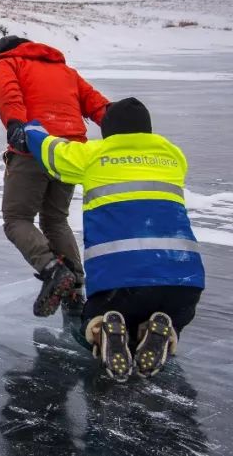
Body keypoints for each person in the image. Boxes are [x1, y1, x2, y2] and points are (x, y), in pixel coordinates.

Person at [22, 98, 204, 382]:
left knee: (90, 321)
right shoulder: (173, 156)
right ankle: (163, 328)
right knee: (176, 314)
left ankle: (101, 326)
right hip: (182, 279)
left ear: (109, 132)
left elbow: (51, 153)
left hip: (119, 281)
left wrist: (31, 127)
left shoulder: (95, 154)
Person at [0, 36, 109, 317]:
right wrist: (121, 126)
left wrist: (16, 123)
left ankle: (53, 270)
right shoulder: (64, 71)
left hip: (34, 148)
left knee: (17, 219)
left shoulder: (6, 63)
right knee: (55, 219)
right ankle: (75, 290)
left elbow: (8, 93)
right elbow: (97, 104)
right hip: (68, 153)